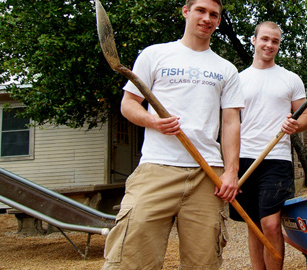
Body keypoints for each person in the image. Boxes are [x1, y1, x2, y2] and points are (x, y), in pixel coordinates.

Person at [102, 0, 244, 269]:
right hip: (156, 169)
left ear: (218, 21)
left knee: (203, 263)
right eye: (200, 10)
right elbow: (129, 104)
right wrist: (153, 121)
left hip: (207, 175)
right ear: (186, 11)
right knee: (131, 258)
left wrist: (231, 172)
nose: (207, 18)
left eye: (214, 14)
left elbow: (230, 123)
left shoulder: (227, 69)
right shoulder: (154, 55)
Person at [228, 21, 307, 270]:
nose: (269, 45)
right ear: (253, 41)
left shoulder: (290, 79)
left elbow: (305, 116)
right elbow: (229, 122)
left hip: (277, 159)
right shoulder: (238, 80)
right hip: (245, 158)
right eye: (264, 39)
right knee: (253, 224)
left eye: (275, 41)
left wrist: (295, 125)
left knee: (271, 224)